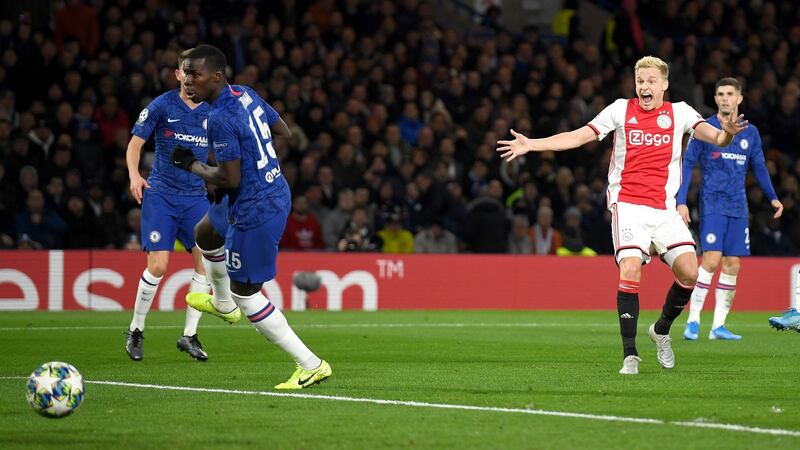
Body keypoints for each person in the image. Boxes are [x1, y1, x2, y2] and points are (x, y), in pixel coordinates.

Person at [496, 56, 748, 375]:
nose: (644, 86)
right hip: (628, 205)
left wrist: (727, 134)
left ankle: (660, 330)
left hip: (664, 209)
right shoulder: (619, 109)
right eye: (640, 81)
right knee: (630, 268)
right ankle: (630, 355)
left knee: (690, 274)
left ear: (664, 84)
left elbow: (716, 138)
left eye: (651, 81)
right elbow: (578, 136)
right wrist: (532, 144)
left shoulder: (681, 112)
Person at [171, 45, 331, 389]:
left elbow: (230, 179)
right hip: (261, 191)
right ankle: (222, 304)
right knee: (205, 233)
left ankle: (311, 364)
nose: (187, 81)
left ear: (216, 75)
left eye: (195, 74)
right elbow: (283, 130)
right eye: (185, 73)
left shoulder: (220, 118)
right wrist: (261, 160)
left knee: (246, 292)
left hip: (256, 207)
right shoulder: (245, 93)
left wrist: (191, 165)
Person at [677, 77, 784, 341]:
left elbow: (759, 166)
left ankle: (718, 326)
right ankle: (693, 321)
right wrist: (681, 201)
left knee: (733, 264)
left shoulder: (751, 132)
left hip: (738, 205)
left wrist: (772, 197)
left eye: (730, 94)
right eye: (721, 94)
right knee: (711, 260)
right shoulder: (705, 128)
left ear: (739, 98)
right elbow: (688, 163)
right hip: (712, 203)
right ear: (715, 99)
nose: (725, 98)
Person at [125, 50, 213, 362]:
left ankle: (189, 335)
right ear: (178, 75)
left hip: (195, 197)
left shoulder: (213, 110)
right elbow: (135, 144)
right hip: (161, 194)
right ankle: (136, 329)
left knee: (207, 262)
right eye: (186, 72)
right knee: (159, 266)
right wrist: (134, 175)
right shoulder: (161, 105)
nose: (191, 78)